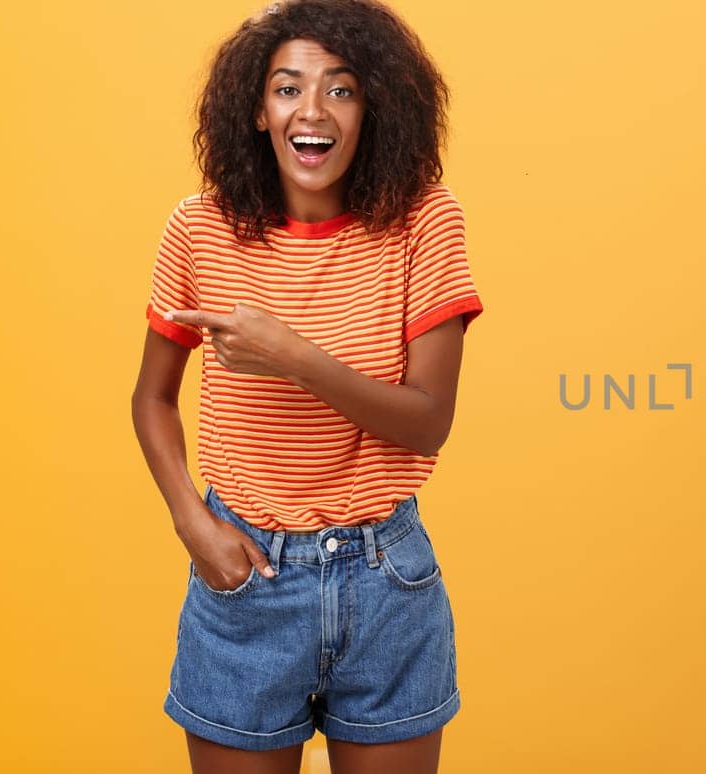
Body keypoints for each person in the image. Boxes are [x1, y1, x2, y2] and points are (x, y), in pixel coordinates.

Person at [130, 2, 483, 771]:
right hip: (245, 578)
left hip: (386, 583)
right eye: (287, 89)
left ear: (373, 108)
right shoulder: (200, 229)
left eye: (342, 90)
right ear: (258, 110)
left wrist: (293, 356)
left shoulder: (425, 221)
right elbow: (151, 398)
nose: (312, 112)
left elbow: (427, 424)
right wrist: (192, 524)